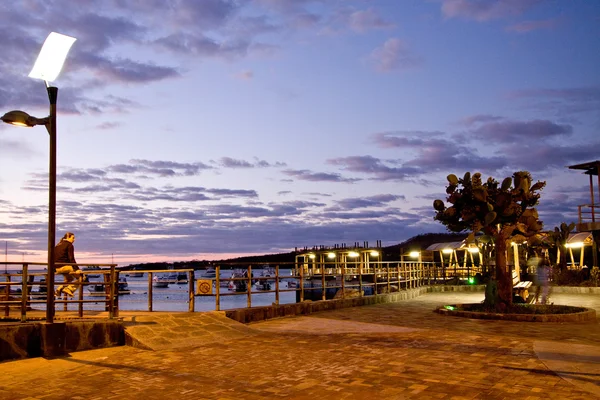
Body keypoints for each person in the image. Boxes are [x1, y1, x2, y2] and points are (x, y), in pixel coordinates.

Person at [54, 232, 81, 297]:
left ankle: (59, 289)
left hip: (56, 268)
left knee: (69, 279)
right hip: (64, 267)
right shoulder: (69, 245)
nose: (74, 240)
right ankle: (69, 289)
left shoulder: (58, 245)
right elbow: (71, 258)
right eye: (73, 238)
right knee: (82, 277)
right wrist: (77, 269)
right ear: (68, 237)